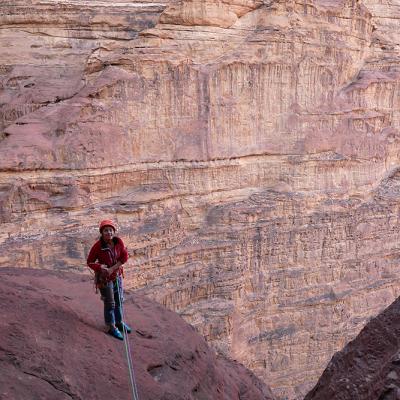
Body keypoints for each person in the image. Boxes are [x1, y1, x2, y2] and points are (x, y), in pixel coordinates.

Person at [87, 219, 132, 340]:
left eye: (111, 230)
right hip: (105, 279)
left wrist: (112, 268)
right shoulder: (97, 247)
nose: (109, 233)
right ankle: (111, 326)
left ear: (114, 232)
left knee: (119, 300)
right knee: (110, 303)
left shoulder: (118, 242)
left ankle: (119, 322)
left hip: (116, 276)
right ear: (102, 232)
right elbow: (89, 262)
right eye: (106, 230)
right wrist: (99, 267)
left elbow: (124, 256)